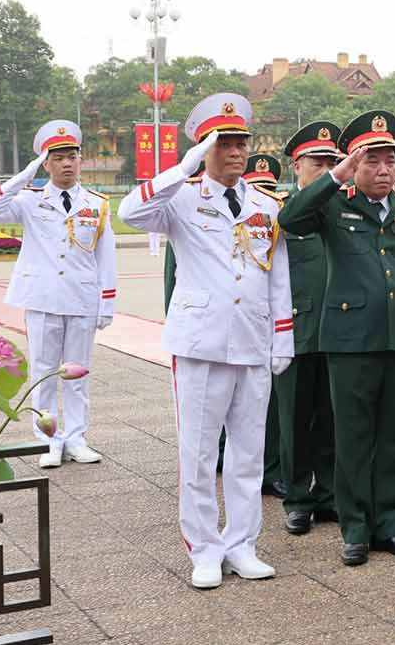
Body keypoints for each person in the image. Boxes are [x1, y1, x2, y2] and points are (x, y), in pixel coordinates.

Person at [117, 94, 291, 589]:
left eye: (241, 143)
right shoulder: (182, 199)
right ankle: (204, 548)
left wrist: (283, 339)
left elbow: (277, 276)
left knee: (248, 452)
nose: (237, 153)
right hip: (201, 343)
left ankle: (242, 543)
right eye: (225, 144)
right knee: (196, 454)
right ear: (205, 148)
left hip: (254, 342)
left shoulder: (265, 205)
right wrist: (184, 167)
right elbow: (130, 212)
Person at [278, 110, 395, 567]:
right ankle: (355, 529)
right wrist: (338, 174)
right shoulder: (334, 203)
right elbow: (290, 217)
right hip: (349, 342)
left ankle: (390, 523)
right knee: (352, 439)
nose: (385, 171)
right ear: (355, 166)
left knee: (392, 437)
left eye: (391, 162)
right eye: (373, 163)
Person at [0, 119, 115, 468]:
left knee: (78, 371)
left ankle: (77, 438)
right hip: (42, 298)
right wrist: (27, 174)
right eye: (58, 157)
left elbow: (106, 256)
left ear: (80, 160)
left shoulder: (97, 204)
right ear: (47, 163)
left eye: (72, 156)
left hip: (83, 298)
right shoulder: (28, 200)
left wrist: (107, 304)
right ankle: (48, 440)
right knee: (44, 371)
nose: (67, 163)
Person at [274, 122, 342, 535]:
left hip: (337, 330)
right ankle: (298, 498)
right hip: (295, 333)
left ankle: (332, 494)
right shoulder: (279, 209)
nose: (324, 170)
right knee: (295, 422)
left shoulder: (345, 207)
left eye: (331, 163)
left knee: (334, 419)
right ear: (297, 166)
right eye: (317, 163)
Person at [241, 154, 289, 497]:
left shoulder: (274, 212)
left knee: (269, 409)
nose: (262, 192)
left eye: (268, 188)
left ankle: (270, 468)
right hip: (233, 324)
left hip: (271, 322)